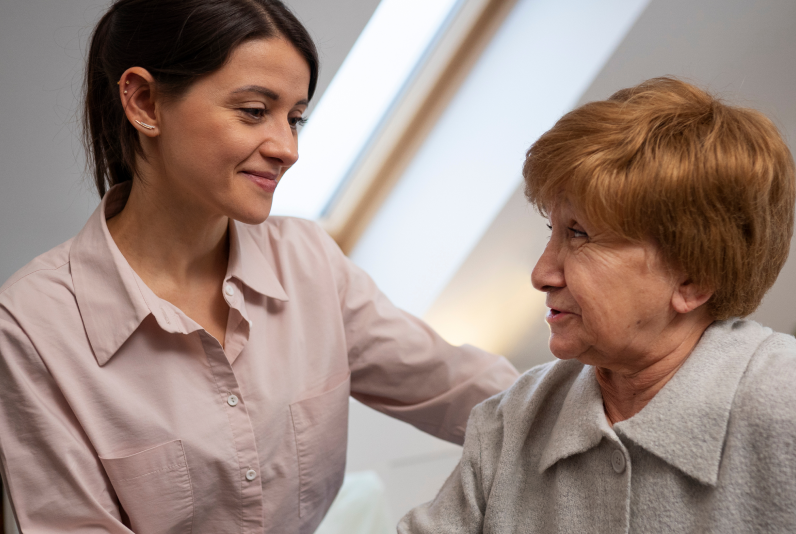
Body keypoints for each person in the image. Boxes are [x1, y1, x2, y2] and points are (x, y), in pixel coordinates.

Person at [0, 1, 519, 532]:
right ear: (144, 102)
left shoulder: (308, 261)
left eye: (295, 119)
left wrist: (598, 389)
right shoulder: (33, 327)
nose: (288, 148)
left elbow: (465, 390)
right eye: (253, 111)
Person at [399, 77, 796, 533]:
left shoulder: (783, 406)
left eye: (580, 233)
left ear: (693, 279)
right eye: (553, 228)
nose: (541, 274)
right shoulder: (513, 418)